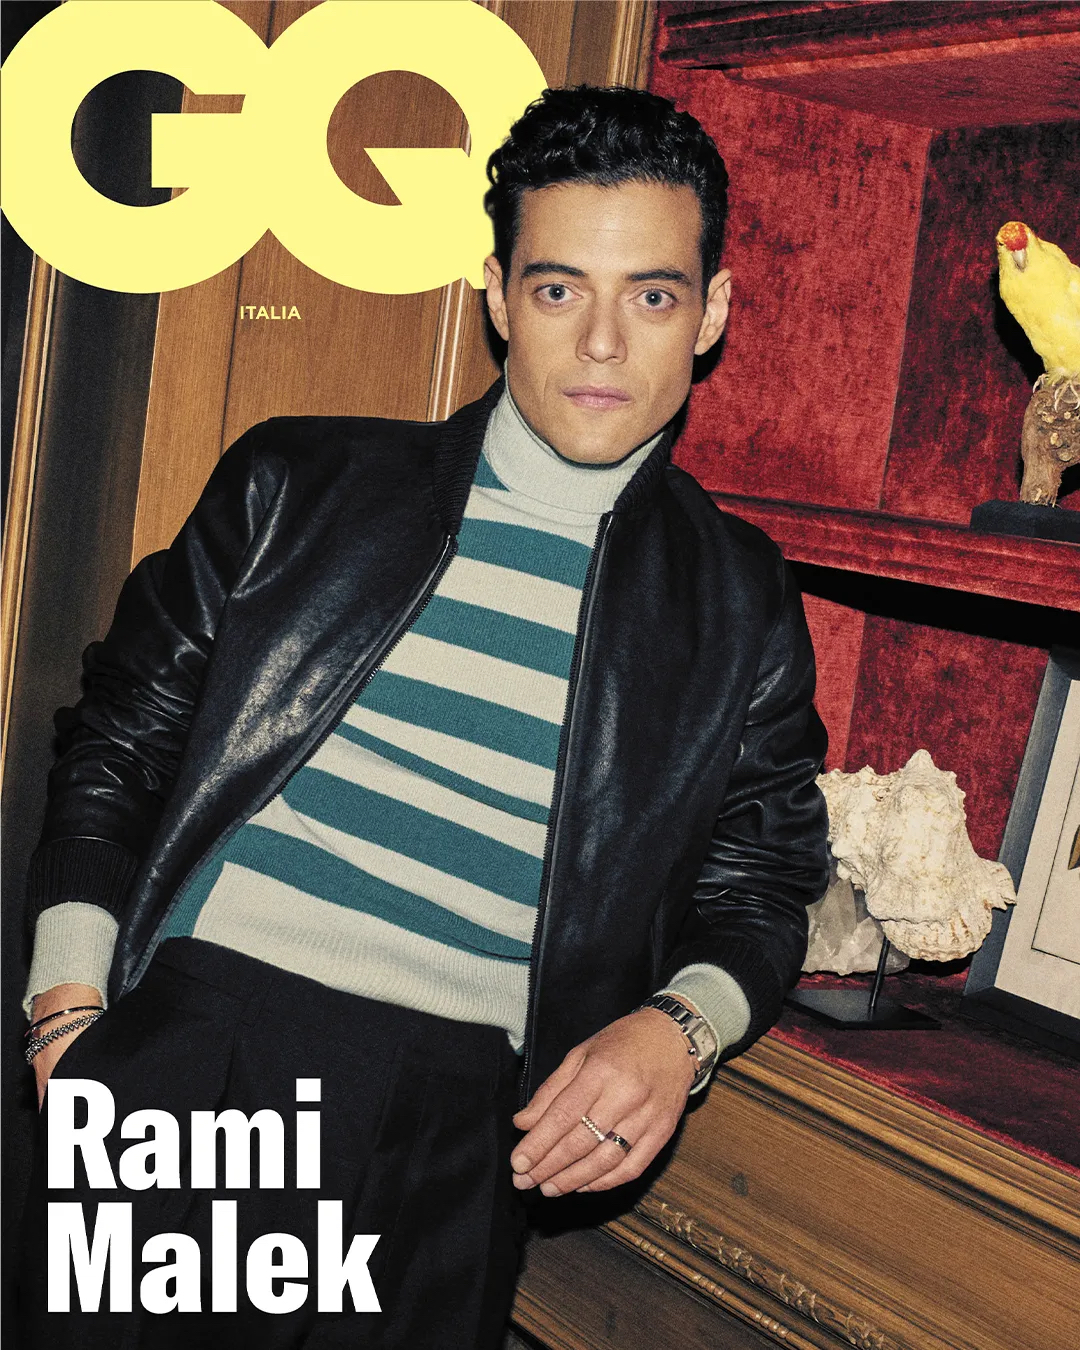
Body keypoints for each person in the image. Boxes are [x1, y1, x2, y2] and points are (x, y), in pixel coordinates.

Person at [17, 85, 829, 1348]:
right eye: (558, 289)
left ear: (712, 312)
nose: (601, 344)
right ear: (497, 295)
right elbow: (120, 734)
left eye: (653, 296)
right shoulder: (300, 483)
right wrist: (67, 1006)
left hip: (466, 1121)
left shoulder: (740, 601)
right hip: (207, 1042)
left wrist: (683, 1031)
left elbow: (764, 879)